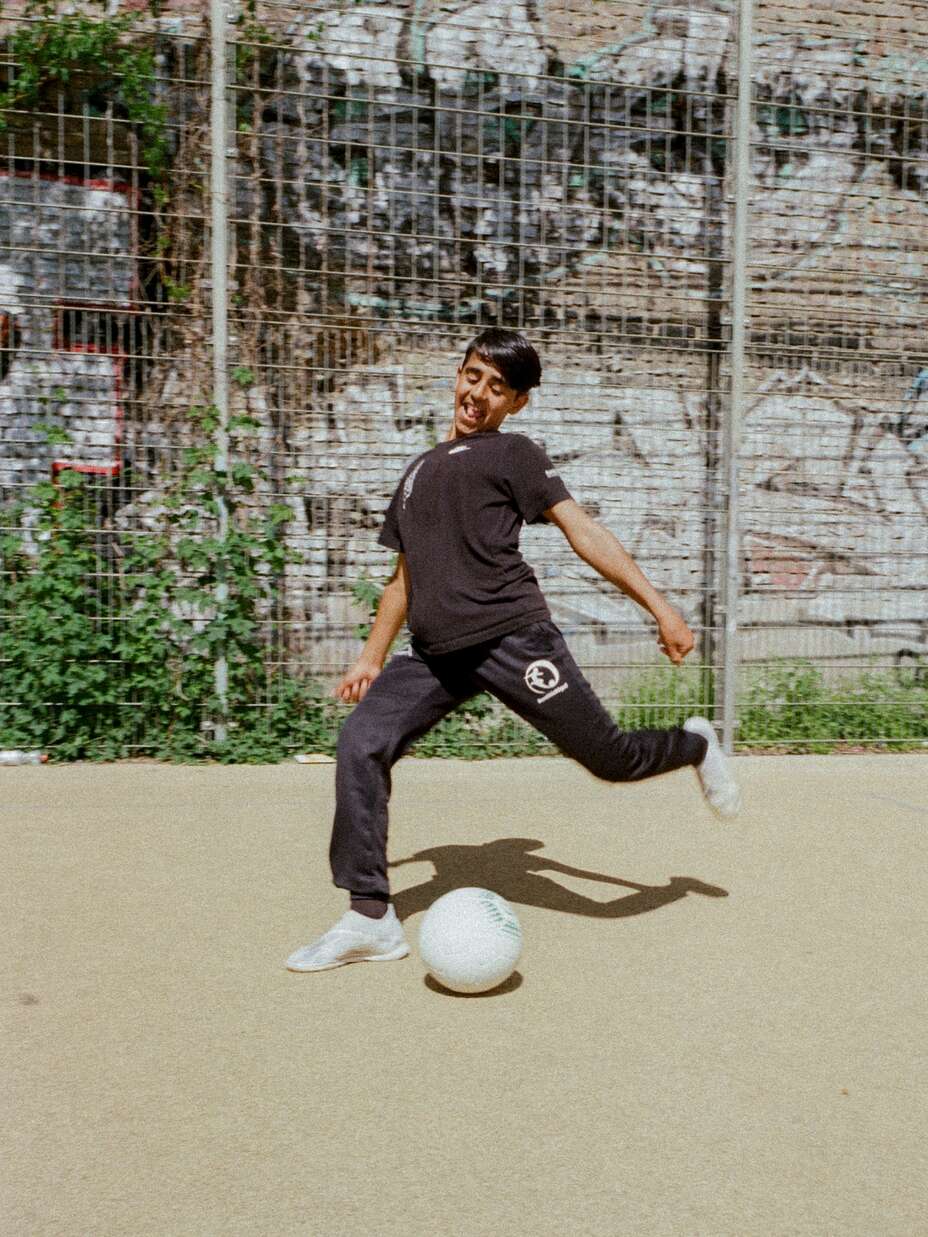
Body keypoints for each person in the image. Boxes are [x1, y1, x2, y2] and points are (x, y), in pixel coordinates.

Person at [286, 328, 741, 972]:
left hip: (510, 638)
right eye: (474, 376)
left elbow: (582, 531)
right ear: (459, 374)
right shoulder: (416, 471)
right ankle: (369, 917)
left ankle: (693, 744)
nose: (479, 393)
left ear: (517, 403)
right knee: (361, 742)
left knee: (610, 760)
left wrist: (660, 607)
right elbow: (402, 580)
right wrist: (370, 658)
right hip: (434, 655)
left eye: (498, 388)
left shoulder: (514, 454)